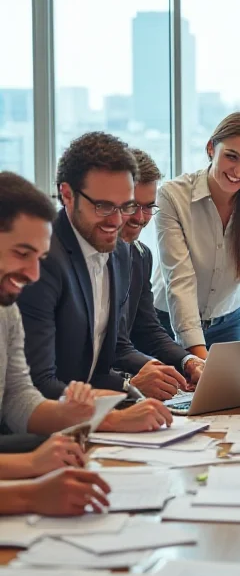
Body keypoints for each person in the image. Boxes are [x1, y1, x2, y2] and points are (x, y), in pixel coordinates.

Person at [16, 135, 175, 431]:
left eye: (125, 206)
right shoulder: (42, 259)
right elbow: (37, 386)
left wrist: (133, 394)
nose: (117, 221)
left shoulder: (121, 251)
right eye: (103, 206)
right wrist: (114, 416)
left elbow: (97, 371)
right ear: (67, 195)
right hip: (39, 433)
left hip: (85, 423)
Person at [0, 172, 110, 514]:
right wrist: (30, 481)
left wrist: (67, 413)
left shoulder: (7, 312)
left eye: (40, 258)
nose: (33, 274)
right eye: (22, 253)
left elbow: (16, 396)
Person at [153, 112, 240, 362]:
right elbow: (180, 282)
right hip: (167, 324)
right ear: (211, 148)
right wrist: (199, 357)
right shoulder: (172, 197)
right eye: (231, 157)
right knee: (173, 399)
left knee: (233, 400)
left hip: (228, 325)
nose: (239, 171)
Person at [115, 148, 204, 397]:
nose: (140, 218)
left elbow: (147, 328)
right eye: (132, 206)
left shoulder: (140, 256)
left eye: (148, 207)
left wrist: (189, 361)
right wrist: (129, 384)